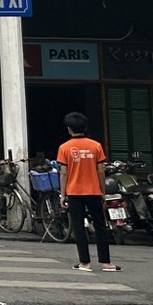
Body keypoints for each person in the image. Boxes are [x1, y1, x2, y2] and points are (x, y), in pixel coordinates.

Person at [57, 111, 119, 272]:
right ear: (85, 128)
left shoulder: (64, 148)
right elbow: (100, 171)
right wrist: (103, 192)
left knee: (78, 227)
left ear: (69, 129)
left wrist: (63, 195)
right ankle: (106, 263)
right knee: (100, 226)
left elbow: (64, 173)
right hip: (94, 191)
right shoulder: (96, 146)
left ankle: (85, 263)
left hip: (74, 192)